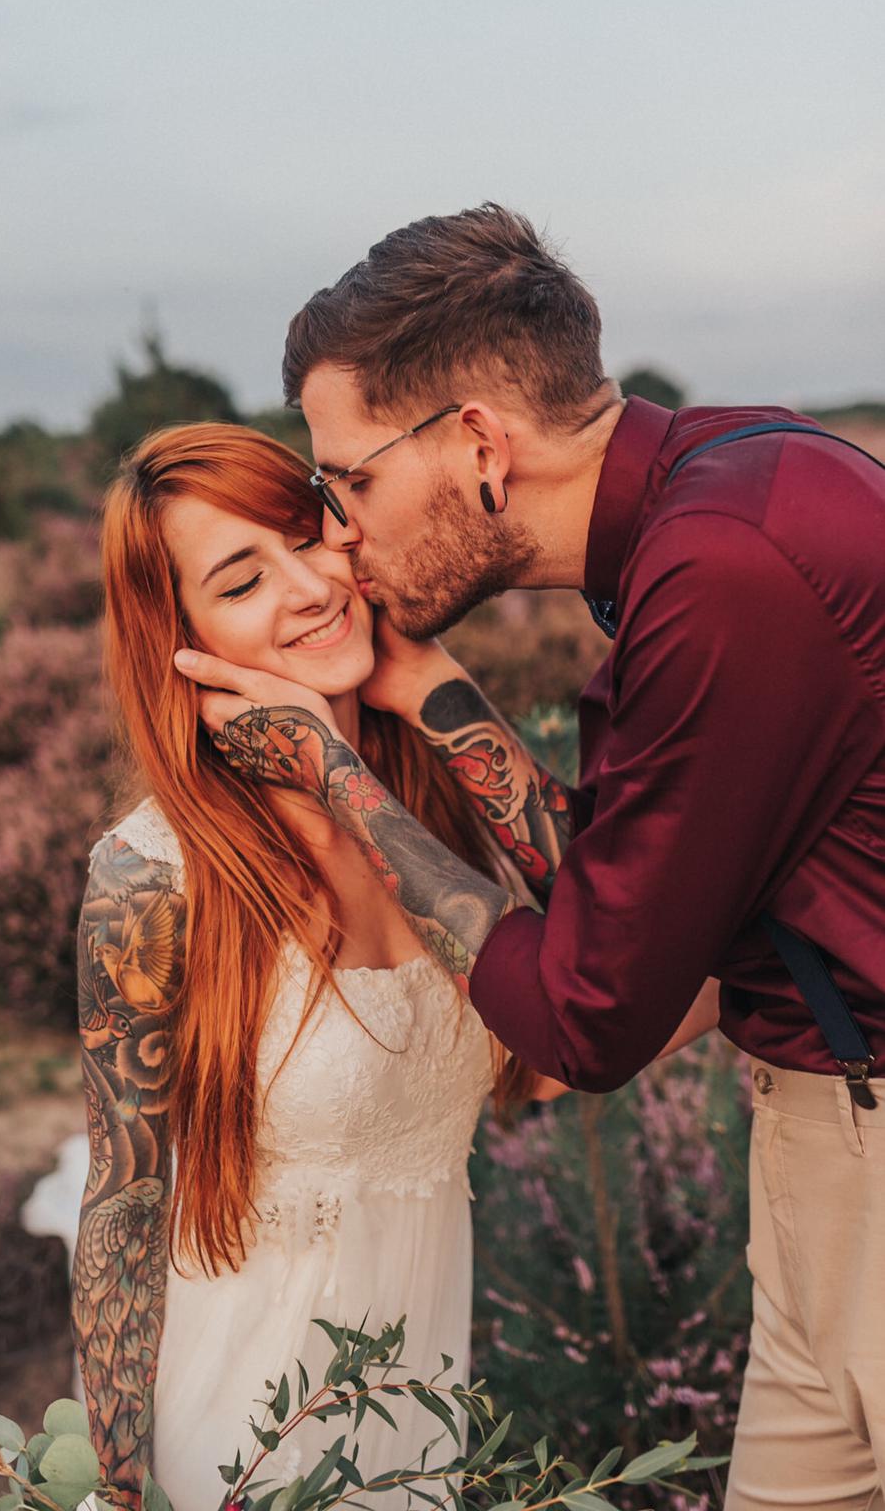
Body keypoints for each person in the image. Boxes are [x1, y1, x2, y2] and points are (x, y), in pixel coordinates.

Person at [175, 204, 885, 1508]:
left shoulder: (721, 570)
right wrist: (435, 693)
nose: (339, 534)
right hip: (825, 1166)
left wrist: (338, 783)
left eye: (353, 482)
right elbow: (613, 901)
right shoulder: (717, 484)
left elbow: (588, 1015)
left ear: (480, 447)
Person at [71, 420, 573, 1511]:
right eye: (244, 579)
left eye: (312, 536)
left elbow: (612, 944)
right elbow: (122, 1214)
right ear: (182, 636)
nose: (310, 587)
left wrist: (431, 690)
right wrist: (113, 1489)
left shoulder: (435, 833)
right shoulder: (153, 875)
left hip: (422, 1423)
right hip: (242, 1440)